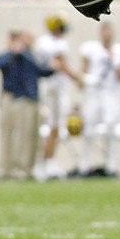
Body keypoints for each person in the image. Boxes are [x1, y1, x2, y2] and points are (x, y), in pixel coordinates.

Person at [77, 22, 120, 177]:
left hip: (111, 93)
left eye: (109, 31)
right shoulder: (91, 49)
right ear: (100, 33)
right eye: (104, 31)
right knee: (88, 129)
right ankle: (84, 166)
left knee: (111, 128)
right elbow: (82, 72)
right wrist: (85, 81)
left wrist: (115, 61)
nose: (106, 35)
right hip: (94, 92)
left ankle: (111, 167)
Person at [0, 29, 52, 181]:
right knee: (9, 135)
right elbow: (1, 64)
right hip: (12, 98)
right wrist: (14, 52)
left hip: (28, 99)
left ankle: (24, 169)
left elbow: (42, 70)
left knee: (27, 136)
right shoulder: (8, 56)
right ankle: (5, 169)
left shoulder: (29, 56)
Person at [35, 15, 81, 180]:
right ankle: (48, 163)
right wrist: (78, 78)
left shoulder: (42, 42)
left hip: (45, 88)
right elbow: (62, 65)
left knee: (51, 127)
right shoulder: (58, 44)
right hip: (56, 89)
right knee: (55, 127)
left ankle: (46, 163)